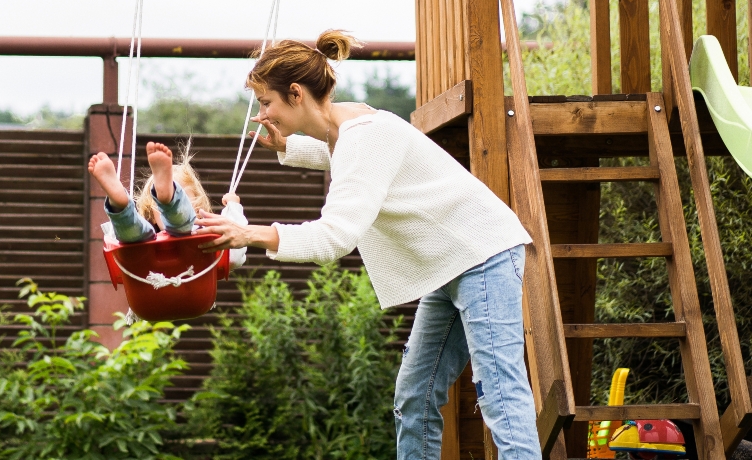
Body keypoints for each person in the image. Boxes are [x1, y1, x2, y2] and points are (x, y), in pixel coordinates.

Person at [195, 30, 539, 459]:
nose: (262, 113)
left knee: (500, 394)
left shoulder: (364, 136)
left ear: (296, 94)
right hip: (448, 265)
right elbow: (342, 155)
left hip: (482, 254)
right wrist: (287, 146)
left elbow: (334, 236)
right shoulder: (347, 126)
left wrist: (252, 234)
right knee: (415, 395)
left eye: (267, 103)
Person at [89, 141, 248, 268]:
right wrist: (234, 209)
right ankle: (121, 205)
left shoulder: (205, 238)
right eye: (161, 205)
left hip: (146, 277)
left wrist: (232, 207)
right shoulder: (148, 236)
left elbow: (236, 241)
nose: (165, 213)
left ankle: (122, 208)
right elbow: (236, 257)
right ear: (151, 215)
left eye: (186, 199)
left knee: (134, 234)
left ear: (198, 208)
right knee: (133, 237)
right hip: (145, 252)